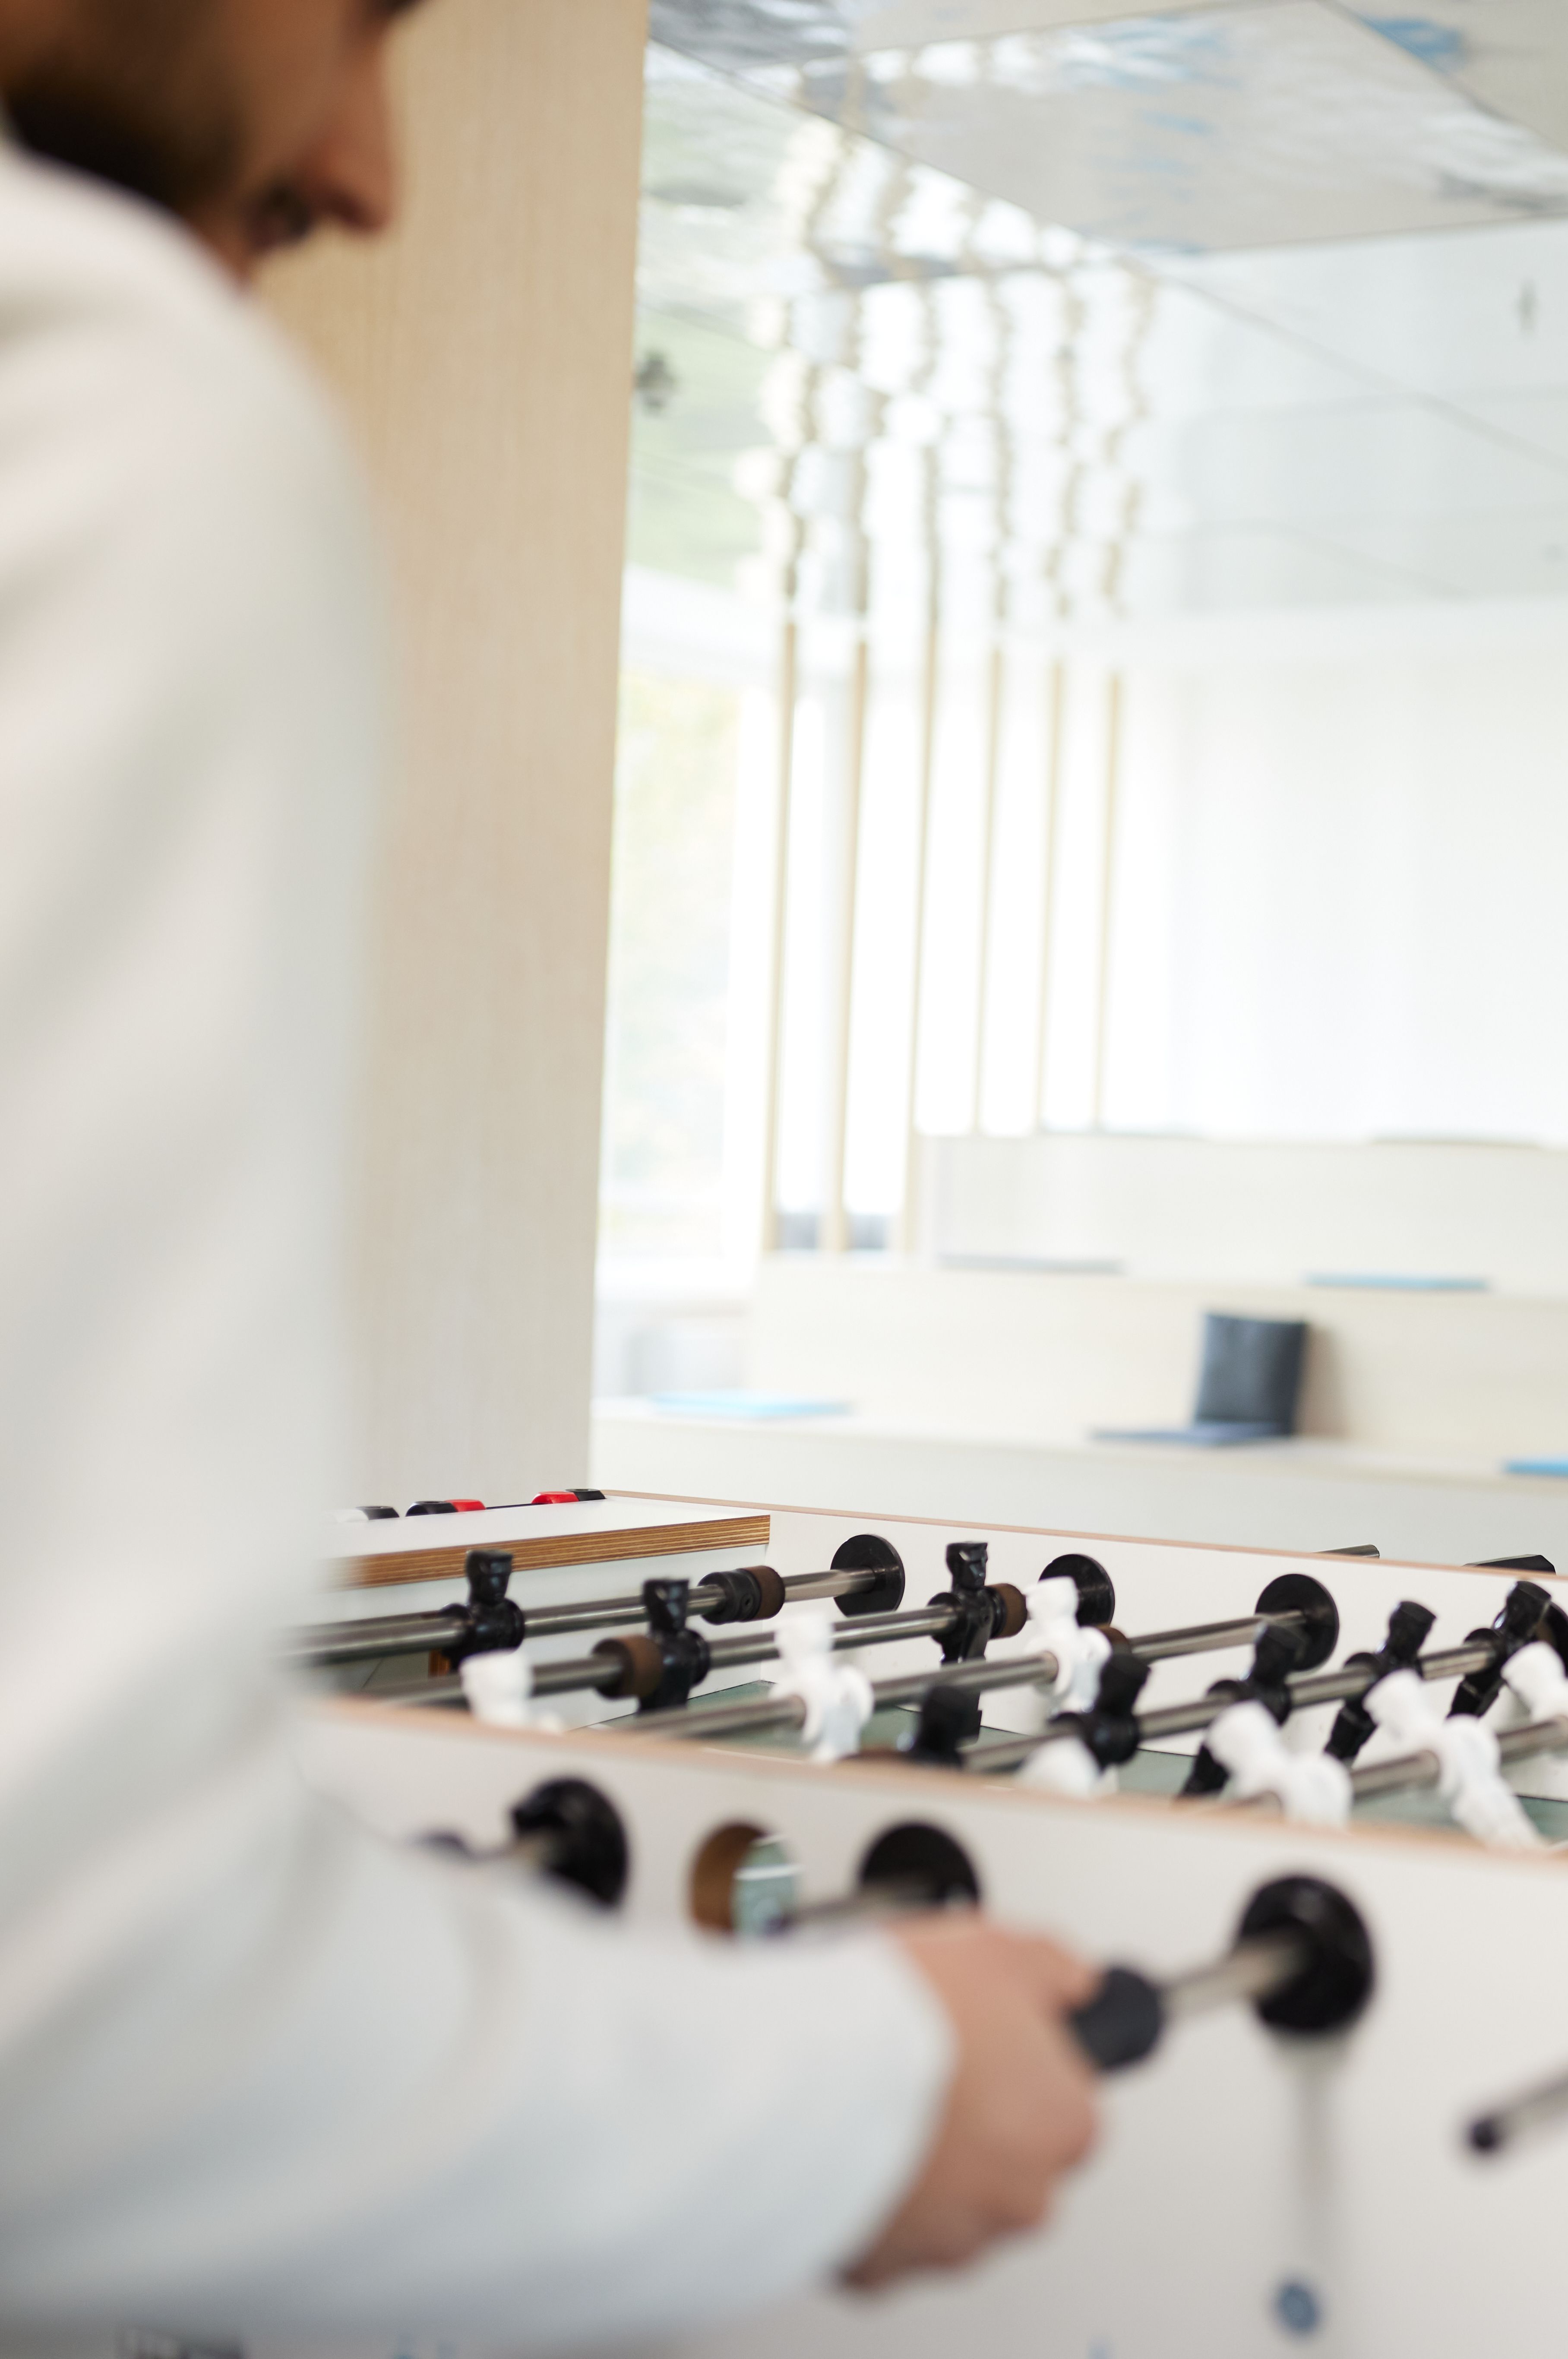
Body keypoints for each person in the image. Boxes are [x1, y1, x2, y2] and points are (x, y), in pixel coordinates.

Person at [0, 3, 1100, 2348]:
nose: (376, 164)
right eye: (364, 18)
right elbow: (60, 1986)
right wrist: (851, 2089)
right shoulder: (99, 389)